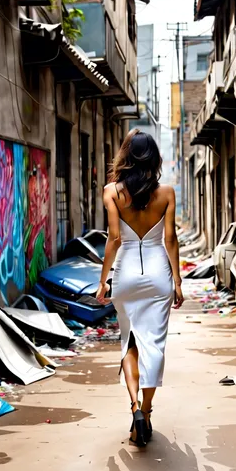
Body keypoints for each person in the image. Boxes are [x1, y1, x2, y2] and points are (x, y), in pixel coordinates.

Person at [96, 129, 184, 447]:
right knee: (154, 345)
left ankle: (133, 406)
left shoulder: (111, 192)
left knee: (129, 343)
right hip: (159, 273)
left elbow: (115, 239)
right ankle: (146, 411)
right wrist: (177, 280)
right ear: (155, 159)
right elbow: (171, 239)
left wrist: (103, 280)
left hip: (126, 274)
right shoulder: (167, 193)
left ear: (125, 156)